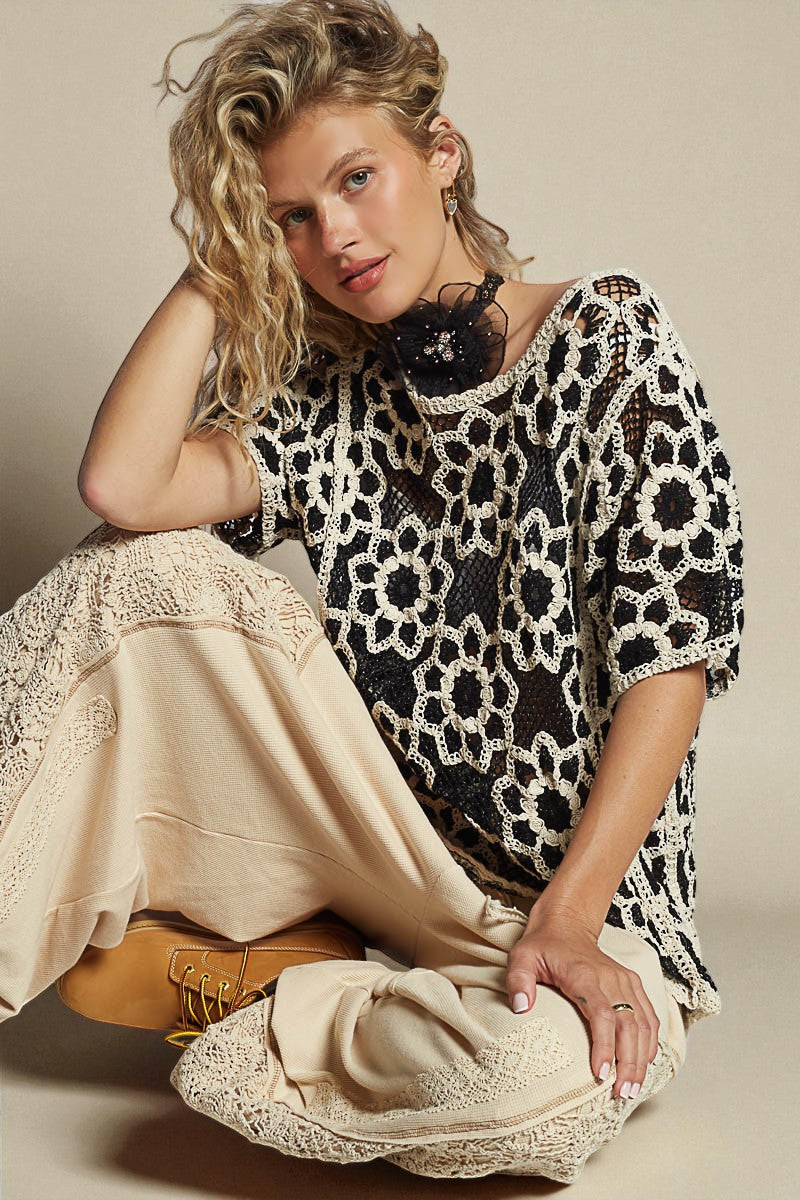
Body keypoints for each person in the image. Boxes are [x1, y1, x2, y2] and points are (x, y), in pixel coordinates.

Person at [0, 0, 744, 1183]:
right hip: (390, 849)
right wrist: (221, 261)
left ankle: (293, 990)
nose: (333, 236)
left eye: (355, 180)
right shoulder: (329, 394)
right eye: (292, 216)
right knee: (130, 576)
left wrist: (563, 919)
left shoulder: (609, 341)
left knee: (531, 1095)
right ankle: (352, 957)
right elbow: (126, 482)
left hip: (580, 897)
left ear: (438, 155)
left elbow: (673, 658)